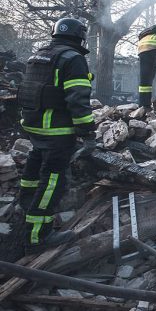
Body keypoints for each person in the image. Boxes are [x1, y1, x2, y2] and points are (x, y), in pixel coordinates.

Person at [17, 17, 96, 250]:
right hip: (57, 130)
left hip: (34, 125)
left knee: (34, 166)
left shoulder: (39, 55)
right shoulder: (73, 58)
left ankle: (25, 206)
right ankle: (37, 236)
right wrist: (88, 133)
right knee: (53, 179)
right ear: (79, 37)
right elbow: (78, 99)